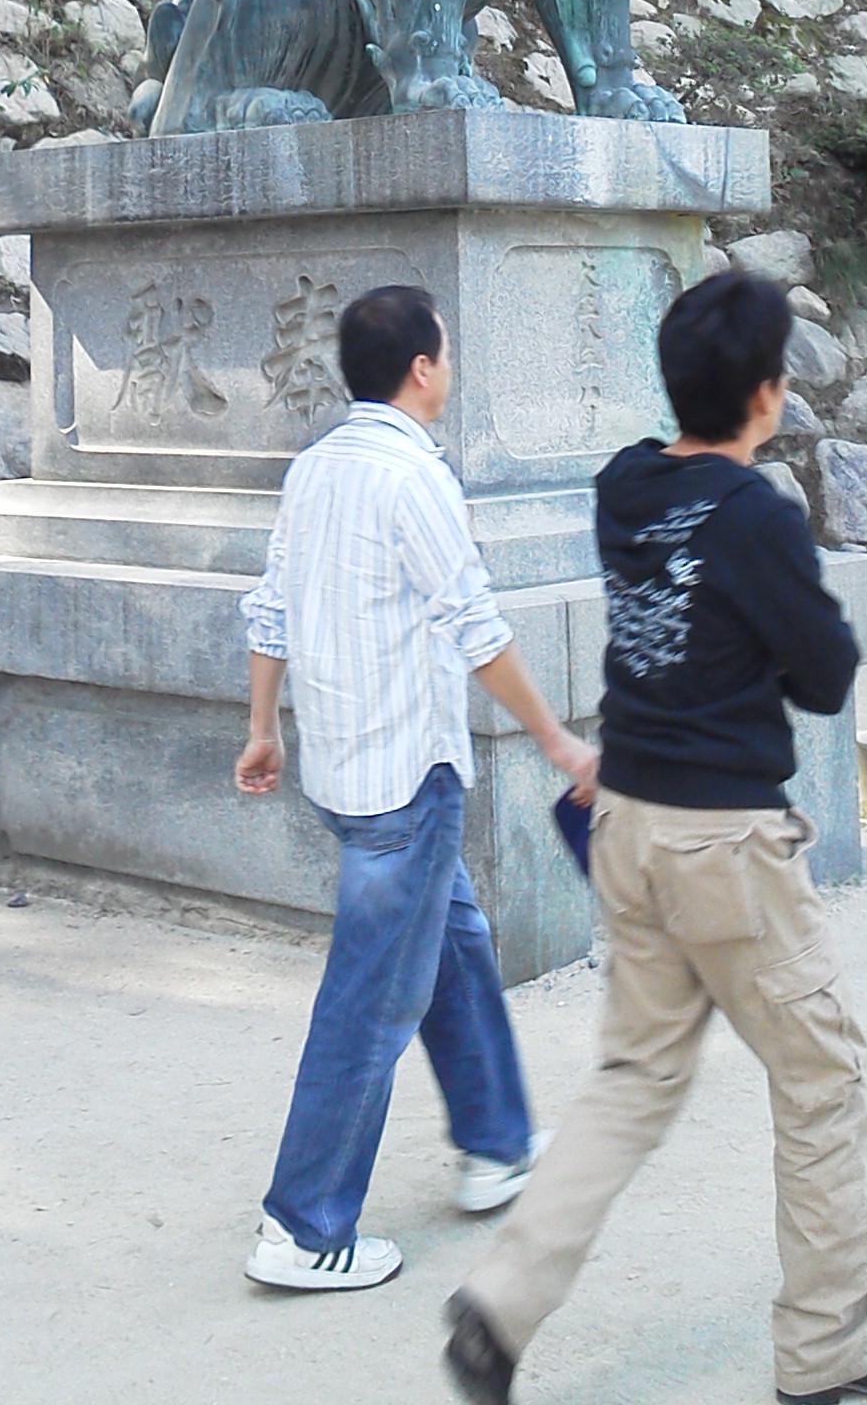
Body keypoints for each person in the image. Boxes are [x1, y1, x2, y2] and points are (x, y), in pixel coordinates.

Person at [443, 270, 867, 1405]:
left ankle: (499, 1307)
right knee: (822, 1083)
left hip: (627, 822)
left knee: (633, 1077)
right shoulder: (759, 517)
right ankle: (829, 1352)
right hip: (727, 848)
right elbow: (825, 675)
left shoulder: (624, 483)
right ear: (770, 396)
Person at [234, 283, 599, 1292]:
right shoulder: (415, 480)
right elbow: (476, 629)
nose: (452, 364)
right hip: (408, 777)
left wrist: (264, 728)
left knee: (457, 943)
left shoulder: (313, 472)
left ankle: (496, 1142)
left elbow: (270, 609)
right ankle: (305, 1227)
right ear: (422, 368)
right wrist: (560, 741)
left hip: (342, 770)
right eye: (447, 347)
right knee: (371, 1000)